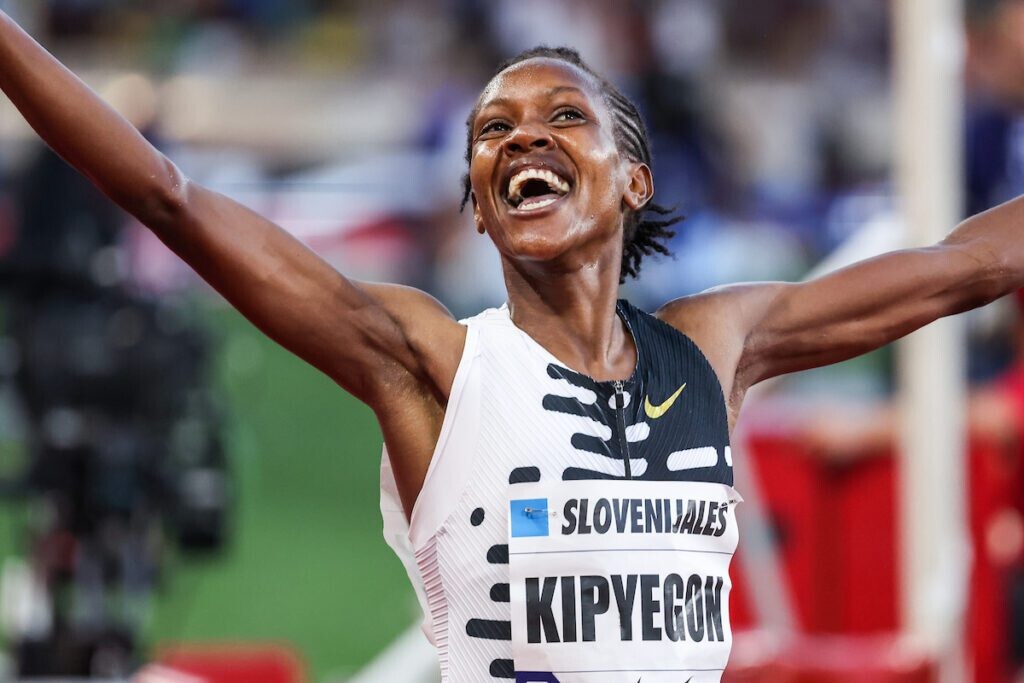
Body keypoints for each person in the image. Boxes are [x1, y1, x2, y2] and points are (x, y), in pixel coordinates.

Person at [1, 14, 1023, 683]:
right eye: (493, 130)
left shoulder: (716, 344)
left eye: (563, 116)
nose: (523, 136)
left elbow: (962, 266)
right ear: (481, 210)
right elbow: (169, 199)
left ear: (633, 182)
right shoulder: (434, 363)